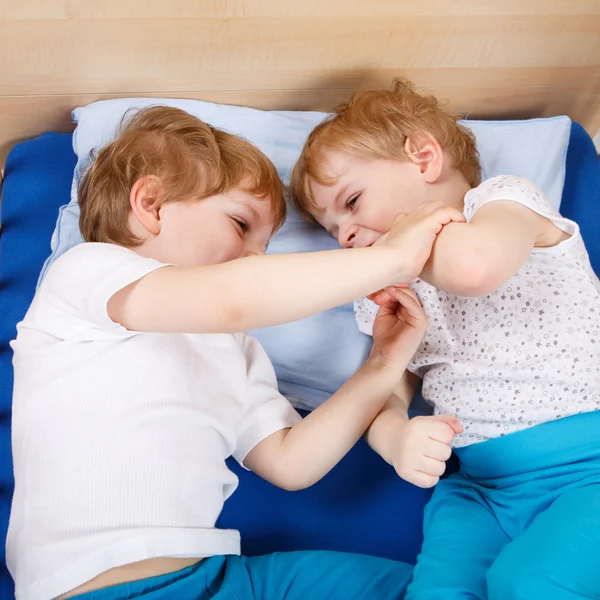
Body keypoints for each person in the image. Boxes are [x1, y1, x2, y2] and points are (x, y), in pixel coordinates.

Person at [7, 106, 461, 600]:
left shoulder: (234, 347)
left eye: (264, 247)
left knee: (426, 588)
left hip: (215, 576)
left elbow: (292, 463)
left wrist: (384, 363)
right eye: (241, 224)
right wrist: (390, 260)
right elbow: (232, 298)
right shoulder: (87, 273)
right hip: (99, 587)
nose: (256, 258)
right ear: (152, 203)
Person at [290, 79, 600, 599]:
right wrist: (395, 438)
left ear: (424, 156)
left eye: (352, 201)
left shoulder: (504, 201)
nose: (344, 234)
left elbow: (475, 267)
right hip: (480, 489)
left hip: (587, 468)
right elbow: (384, 385)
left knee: (528, 584)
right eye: (331, 230)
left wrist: (406, 245)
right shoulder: (381, 287)